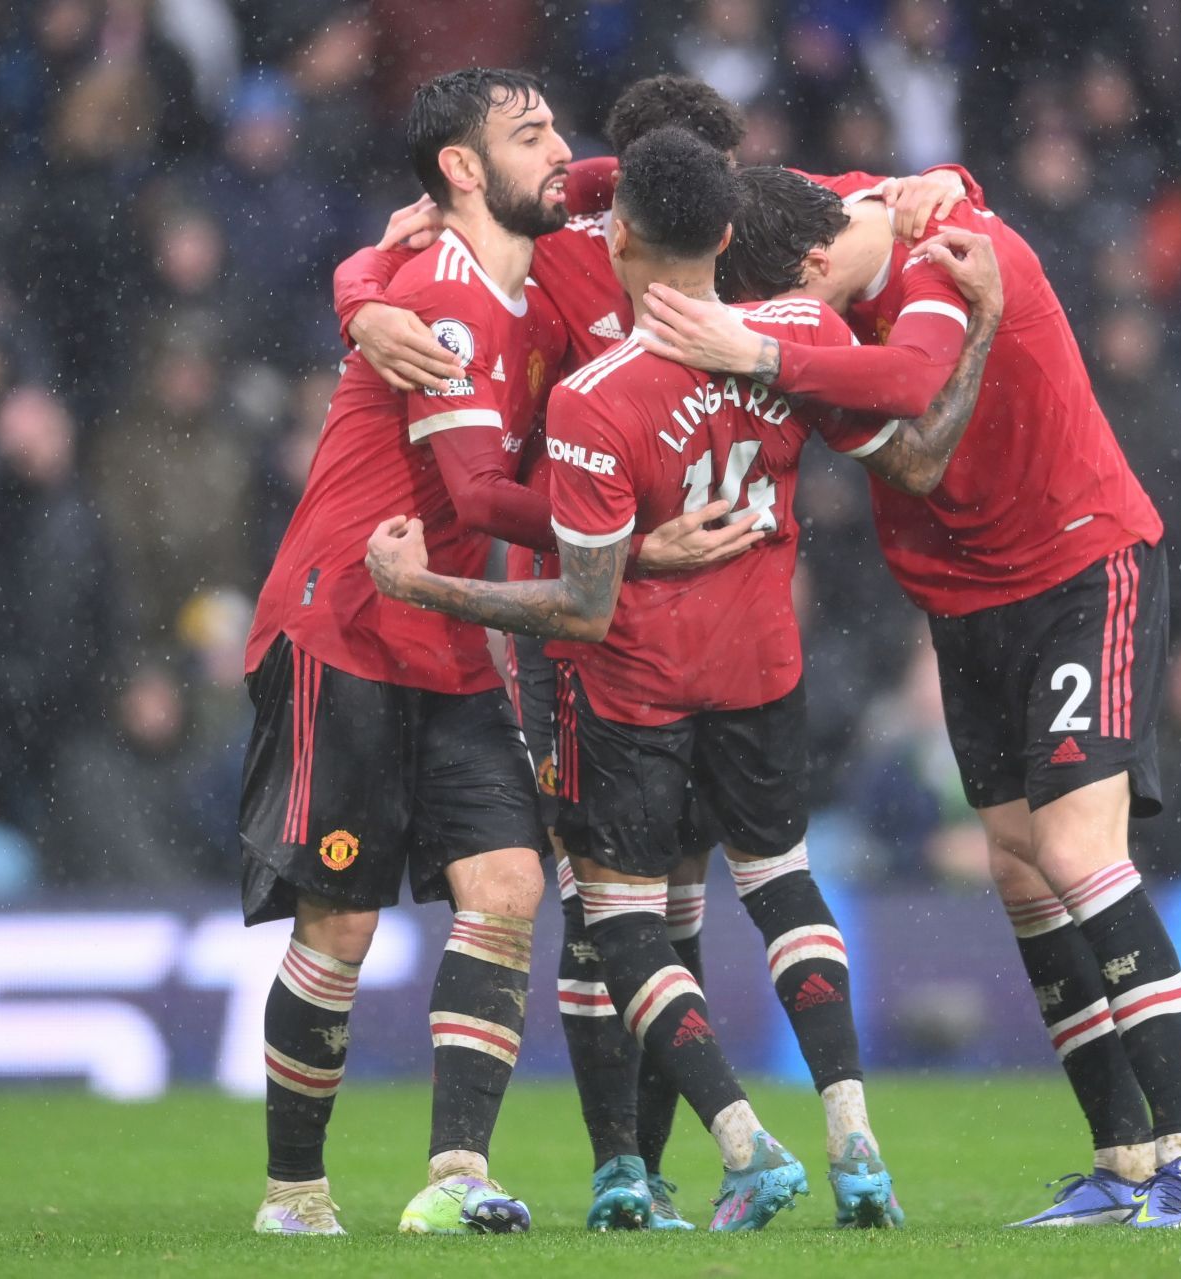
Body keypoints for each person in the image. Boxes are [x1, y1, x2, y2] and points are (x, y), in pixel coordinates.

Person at [331, 71, 975, 1230]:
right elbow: (906, 421)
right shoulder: (786, 325)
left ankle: (641, 1164)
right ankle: (846, 1140)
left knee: (616, 916)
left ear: (621, 210)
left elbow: (508, 513)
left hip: (614, 657)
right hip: (760, 653)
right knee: (769, 884)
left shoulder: (592, 375)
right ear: (724, 223)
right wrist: (938, 231)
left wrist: (438, 579)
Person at [636, 165, 1181, 1227]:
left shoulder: (939, 261)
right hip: (965, 603)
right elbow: (707, 164)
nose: (783, 325)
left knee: (1080, 852)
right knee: (1016, 866)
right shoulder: (851, 200)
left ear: (814, 268)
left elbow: (912, 384)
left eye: (789, 304)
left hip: (1074, 566)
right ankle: (1123, 1160)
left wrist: (757, 351)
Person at [238, 66, 573, 1239]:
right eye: (533, 135)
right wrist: (631, 538)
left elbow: (647, 176)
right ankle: (294, 1195)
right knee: (340, 920)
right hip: (348, 621)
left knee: (508, 886)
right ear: (462, 170)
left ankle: (458, 1173)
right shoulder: (444, 290)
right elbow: (481, 491)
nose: (562, 153)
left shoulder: (529, 285)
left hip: (450, 628)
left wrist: (354, 282)